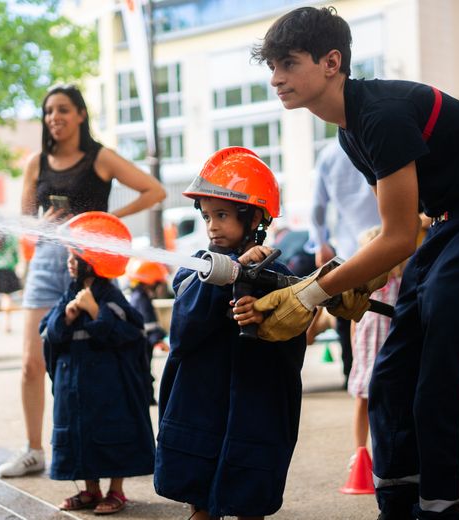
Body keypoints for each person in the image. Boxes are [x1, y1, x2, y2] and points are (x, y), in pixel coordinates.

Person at [252, 8, 459, 519]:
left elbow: (400, 236)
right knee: (391, 380)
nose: (276, 78)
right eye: (272, 65)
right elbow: (407, 226)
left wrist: (310, 292)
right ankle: (399, 507)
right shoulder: (349, 131)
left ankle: (445, 510)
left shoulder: (378, 115)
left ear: (332, 61)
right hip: (449, 227)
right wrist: (363, 273)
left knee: (443, 386)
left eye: (288, 63)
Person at [0, 84, 165, 478]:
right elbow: (25, 223)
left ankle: (96, 451)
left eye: (62, 110)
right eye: (48, 112)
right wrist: (38, 225)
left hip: (92, 266)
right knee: (31, 363)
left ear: (80, 115)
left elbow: (154, 190)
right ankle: (34, 449)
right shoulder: (36, 162)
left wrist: (108, 224)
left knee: (96, 361)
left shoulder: (99, 156)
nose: (54, 118)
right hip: (44, 263)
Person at [154, 147, 306, 520]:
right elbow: (183, 331)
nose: (211, 226)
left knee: (250, 492)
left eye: (221, 215)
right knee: (200, 499)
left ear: (254, 217)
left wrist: (266, 314)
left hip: (257, 405)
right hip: (203, 404)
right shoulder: (197, 271)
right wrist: (230, 273)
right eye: (207, 216)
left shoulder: (281, 276)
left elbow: (293, 342)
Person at [41, 213, 154, 515]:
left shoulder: (112, 298)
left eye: (74, 255)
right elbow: (48, 333)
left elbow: (131, 335)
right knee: (79, 433)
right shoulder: (68, 293)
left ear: (94, 259)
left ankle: (116, 490)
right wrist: (65, 317)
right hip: (74, 387)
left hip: (109, 388)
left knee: (113, 432)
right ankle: (90, 491)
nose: (69, 261)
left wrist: (95, 312)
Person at [309, 140, 381, 387]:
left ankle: (352, 374)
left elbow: (318, 207)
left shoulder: (328, 154)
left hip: (350, 250)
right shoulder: (378, 138)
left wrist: (321, 243)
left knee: (346, 313)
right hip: (390, 247)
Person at [346, 226, 403, 468]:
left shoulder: (400, 285)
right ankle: (360, 451)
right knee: (362, 401)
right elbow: (353, 321)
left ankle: (389, 450)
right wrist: (354, 351)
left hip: (390, 356)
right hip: (367, 356)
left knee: (390, 405)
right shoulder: (362, 288)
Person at [126, 258, 171, 405]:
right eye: (159, 284)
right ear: (151, 283)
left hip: (140, 344)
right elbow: (149, 325)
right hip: (142, 345)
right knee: (144, 371)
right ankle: (147, 399)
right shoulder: (141, 299)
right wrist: (159, 340)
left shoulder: (137, 296)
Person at [0, 235, 21, 333]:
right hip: (8, 269)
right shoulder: (12, 237)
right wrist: (15, 264)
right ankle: (7, 324)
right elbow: (16, 254)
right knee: (7, 297)